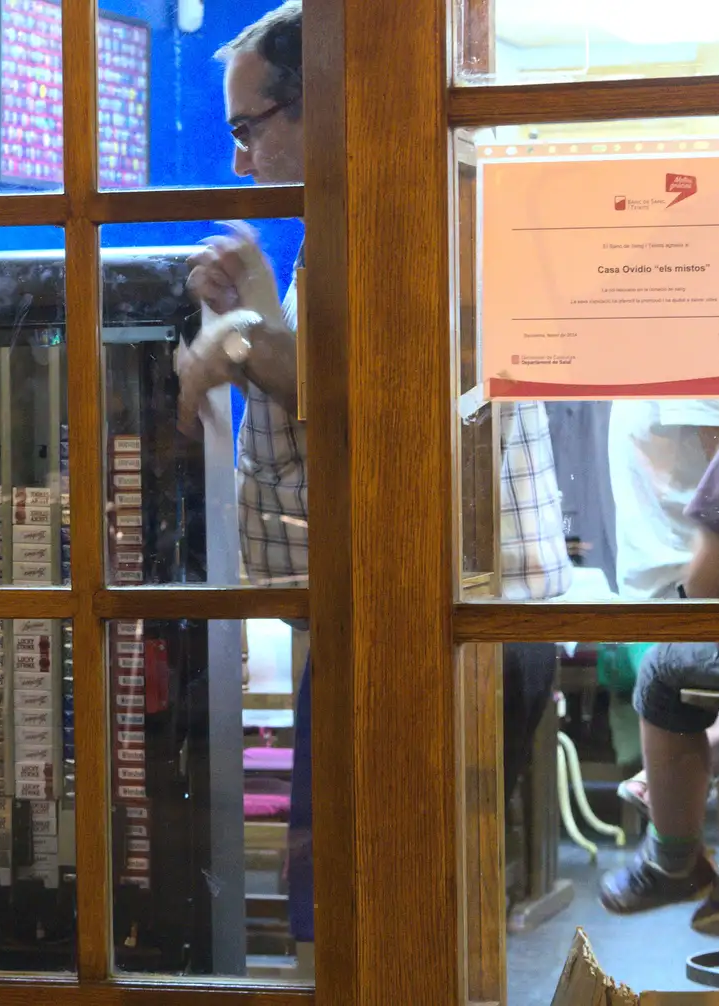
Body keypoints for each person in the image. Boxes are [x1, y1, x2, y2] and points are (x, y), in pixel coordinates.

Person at [179, 0, 573, 946]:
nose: (239, 161)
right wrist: (252, 325)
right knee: (387, 901)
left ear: (318, 99)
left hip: (442, 613)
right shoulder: (368, 211)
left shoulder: (407, 216)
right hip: (416, 604)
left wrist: (242, 339)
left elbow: (368, 404)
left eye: (247, 130)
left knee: (384, 907)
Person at [600, 439, 719, 933]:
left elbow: (707, 583)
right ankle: (672, 782)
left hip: (657, 589)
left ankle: (673, 863)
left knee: (664, 668)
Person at [607, 402, 719, 811]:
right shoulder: (698, 347)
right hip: (681, 597)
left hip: (670, 595)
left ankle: (671, 861)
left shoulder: (662, 350)